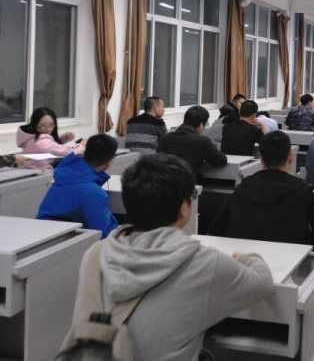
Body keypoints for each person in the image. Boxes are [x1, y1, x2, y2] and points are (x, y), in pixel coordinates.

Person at [60, 153, 274, 361]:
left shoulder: (96, 253)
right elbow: (263, 283)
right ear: (184, 208)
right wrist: (246, 257)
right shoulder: (204, 263)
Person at [209, 131, 314, 252]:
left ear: (261, 159)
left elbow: (216, 230)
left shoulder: (243, 187)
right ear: (290, 157)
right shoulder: (302, 190)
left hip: (246, 261)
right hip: (289, 261)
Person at [37, 134, 118, 238]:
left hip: (45, 235)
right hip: (65, 241)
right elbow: (104, 233)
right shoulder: (92, 192)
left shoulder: (65, 177)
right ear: (110, 160)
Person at [157, 105, 227, 180]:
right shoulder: (202, 141)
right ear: (201, 125)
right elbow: (221, 160)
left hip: (166, 181)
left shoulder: (166, 138)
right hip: (189, 182)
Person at [16, 107, 80, 170]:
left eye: (51, 125)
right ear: (35, 124)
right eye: (42, 125)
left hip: (33, 170)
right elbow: (66, 152)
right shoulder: (41, 142)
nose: (48, 129)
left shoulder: (30, 137)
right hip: (40, 173)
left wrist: (62, 140)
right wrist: (80, 148)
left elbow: (49, 148)